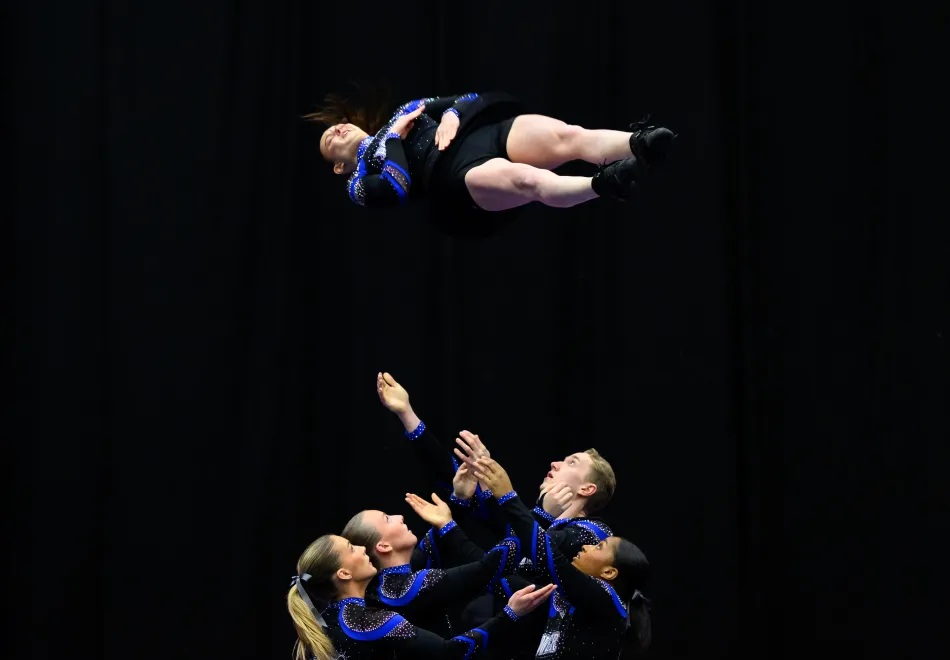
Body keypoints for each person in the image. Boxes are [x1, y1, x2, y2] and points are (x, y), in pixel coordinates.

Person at [306, 89, 674, 235]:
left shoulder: (402, 112)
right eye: (328, 139)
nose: (336, 131)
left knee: (568, 136)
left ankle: (639, 143)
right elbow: (397, 186)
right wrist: (394, 140)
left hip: (478, 136)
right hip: (458, 176)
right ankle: (605, 183)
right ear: (338, 166)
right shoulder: (357, 185)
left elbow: (469, 97)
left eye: (335, 126)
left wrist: (450, 113)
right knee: (528, 181)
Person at [472, 457, 653, 659]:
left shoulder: (603, 597)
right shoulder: (563, 597)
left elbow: (548, 556)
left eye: (598, 546)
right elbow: (491, 571)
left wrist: (509, 497)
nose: (586, 546)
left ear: (609, 571)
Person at [286, 534, 556, 660]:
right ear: (344, 573)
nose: (359, 547)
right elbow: (450, 652)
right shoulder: (368, 620)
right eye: (350, 547)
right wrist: (510, 614)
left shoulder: (320, 626)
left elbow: (425, 554)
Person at [340, 491, 522, 638]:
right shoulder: (408, 589)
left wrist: (459, 497)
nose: (400, 516)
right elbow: (487, 568)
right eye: (387, 519)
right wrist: (525, 513)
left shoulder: (388, 584)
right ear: (384, 546)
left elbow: (436, 538)